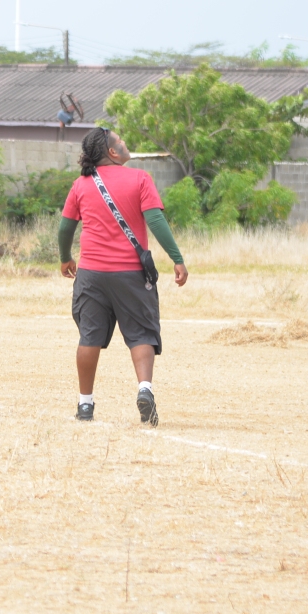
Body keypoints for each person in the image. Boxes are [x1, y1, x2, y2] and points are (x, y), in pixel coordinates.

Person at [58, 127, 189, 424]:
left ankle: (85, 404)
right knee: (141, 332)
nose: (125, 143)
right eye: (121, 141)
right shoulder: (140, 178)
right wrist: (177, 259)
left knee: (89, 336)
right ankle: (145, 390)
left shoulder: (81, 185)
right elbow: (155, 219)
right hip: (131, 274)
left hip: (91, 274)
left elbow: (66, 228)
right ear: (113, 152)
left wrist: (66, 258)